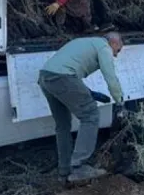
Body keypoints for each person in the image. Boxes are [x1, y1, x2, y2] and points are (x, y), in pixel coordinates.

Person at [37, 33, 125, 182]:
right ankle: (79, 166)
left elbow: (69, 69)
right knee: (91, 115)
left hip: (45, 78)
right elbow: (110, 76)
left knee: (63, 125)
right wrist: (120, 101)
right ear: (114, 43)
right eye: (118, 51)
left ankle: (64, 171)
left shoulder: (87, 42)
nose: (115, 55)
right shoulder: (104, 47)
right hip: (62, 78)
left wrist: (90, 93)